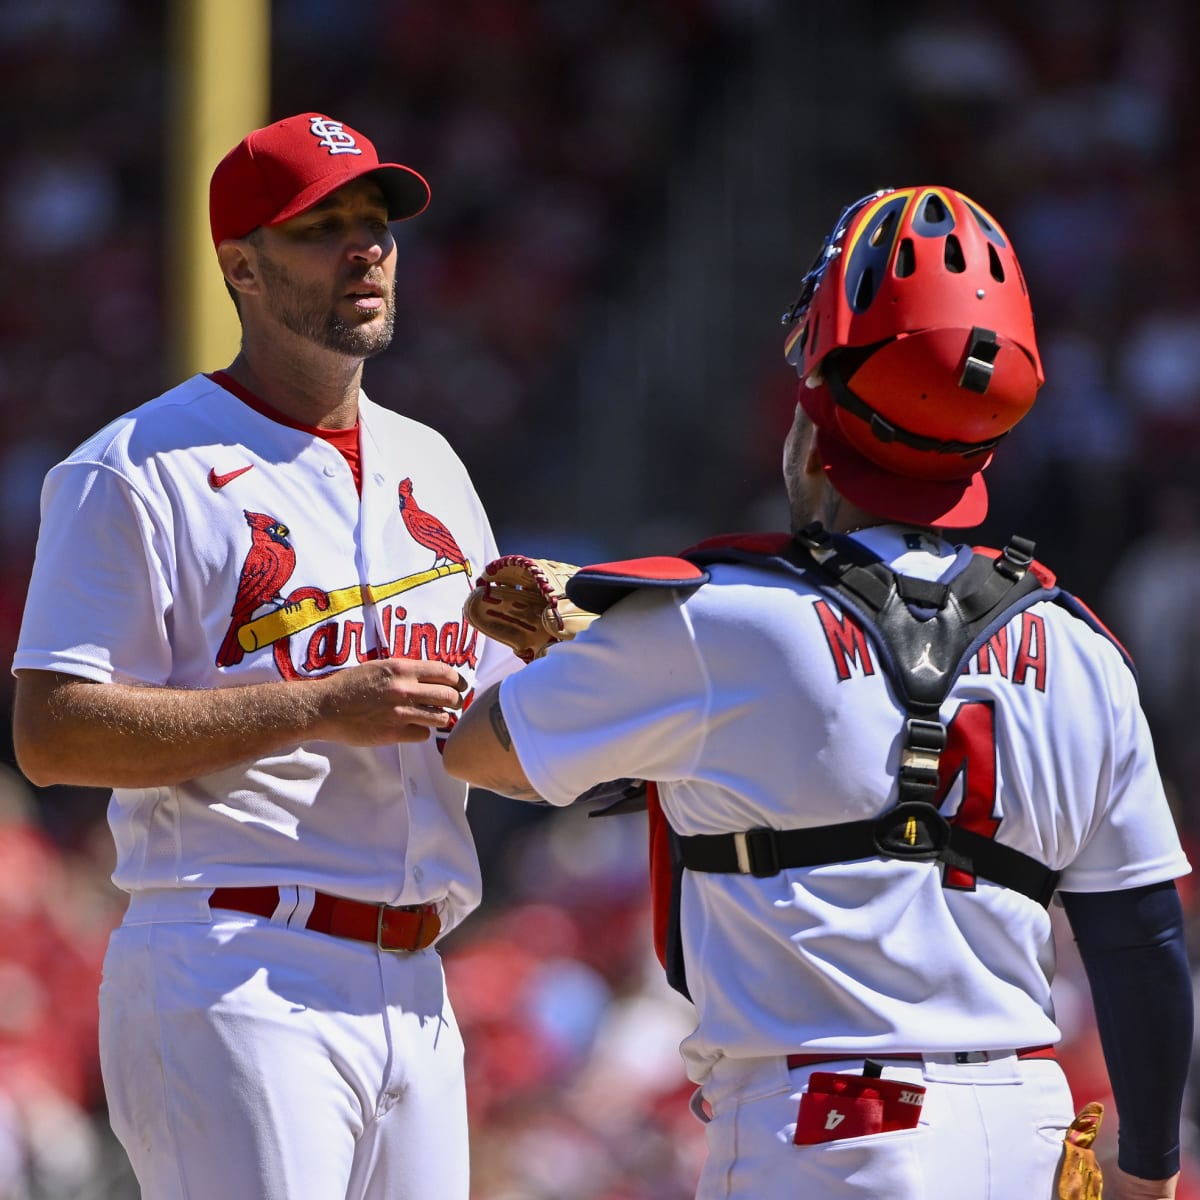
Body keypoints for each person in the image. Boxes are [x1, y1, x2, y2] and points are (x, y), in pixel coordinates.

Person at [442, 186, 1193, 1200]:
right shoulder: (1080, 651)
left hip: (833, 1134)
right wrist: (1146, 1174)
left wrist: (585, 667)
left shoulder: (718, 621)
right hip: (1028, 1133)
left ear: (822, 391)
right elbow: (1142, 943)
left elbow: (482, 753)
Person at [10, 111, 519, 1200]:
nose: (365, 247)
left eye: (376, 221)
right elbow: (52, 734)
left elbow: (488, 731)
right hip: (238, 959)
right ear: (240, 266)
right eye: (322, 226)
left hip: (419, 978)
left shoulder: (432, 462)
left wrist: (607, 690)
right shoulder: (135, 468)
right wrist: (315, 705)